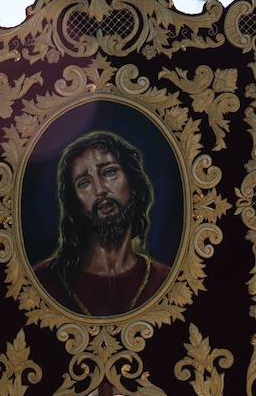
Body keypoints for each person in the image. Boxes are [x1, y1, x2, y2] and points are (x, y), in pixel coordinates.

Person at [33, 131, 171, 316]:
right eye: (84, 183)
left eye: (109, 172)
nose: (100, 190)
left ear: (132, 182)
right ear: (76, 204)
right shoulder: (43, 282)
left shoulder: (165, 281)